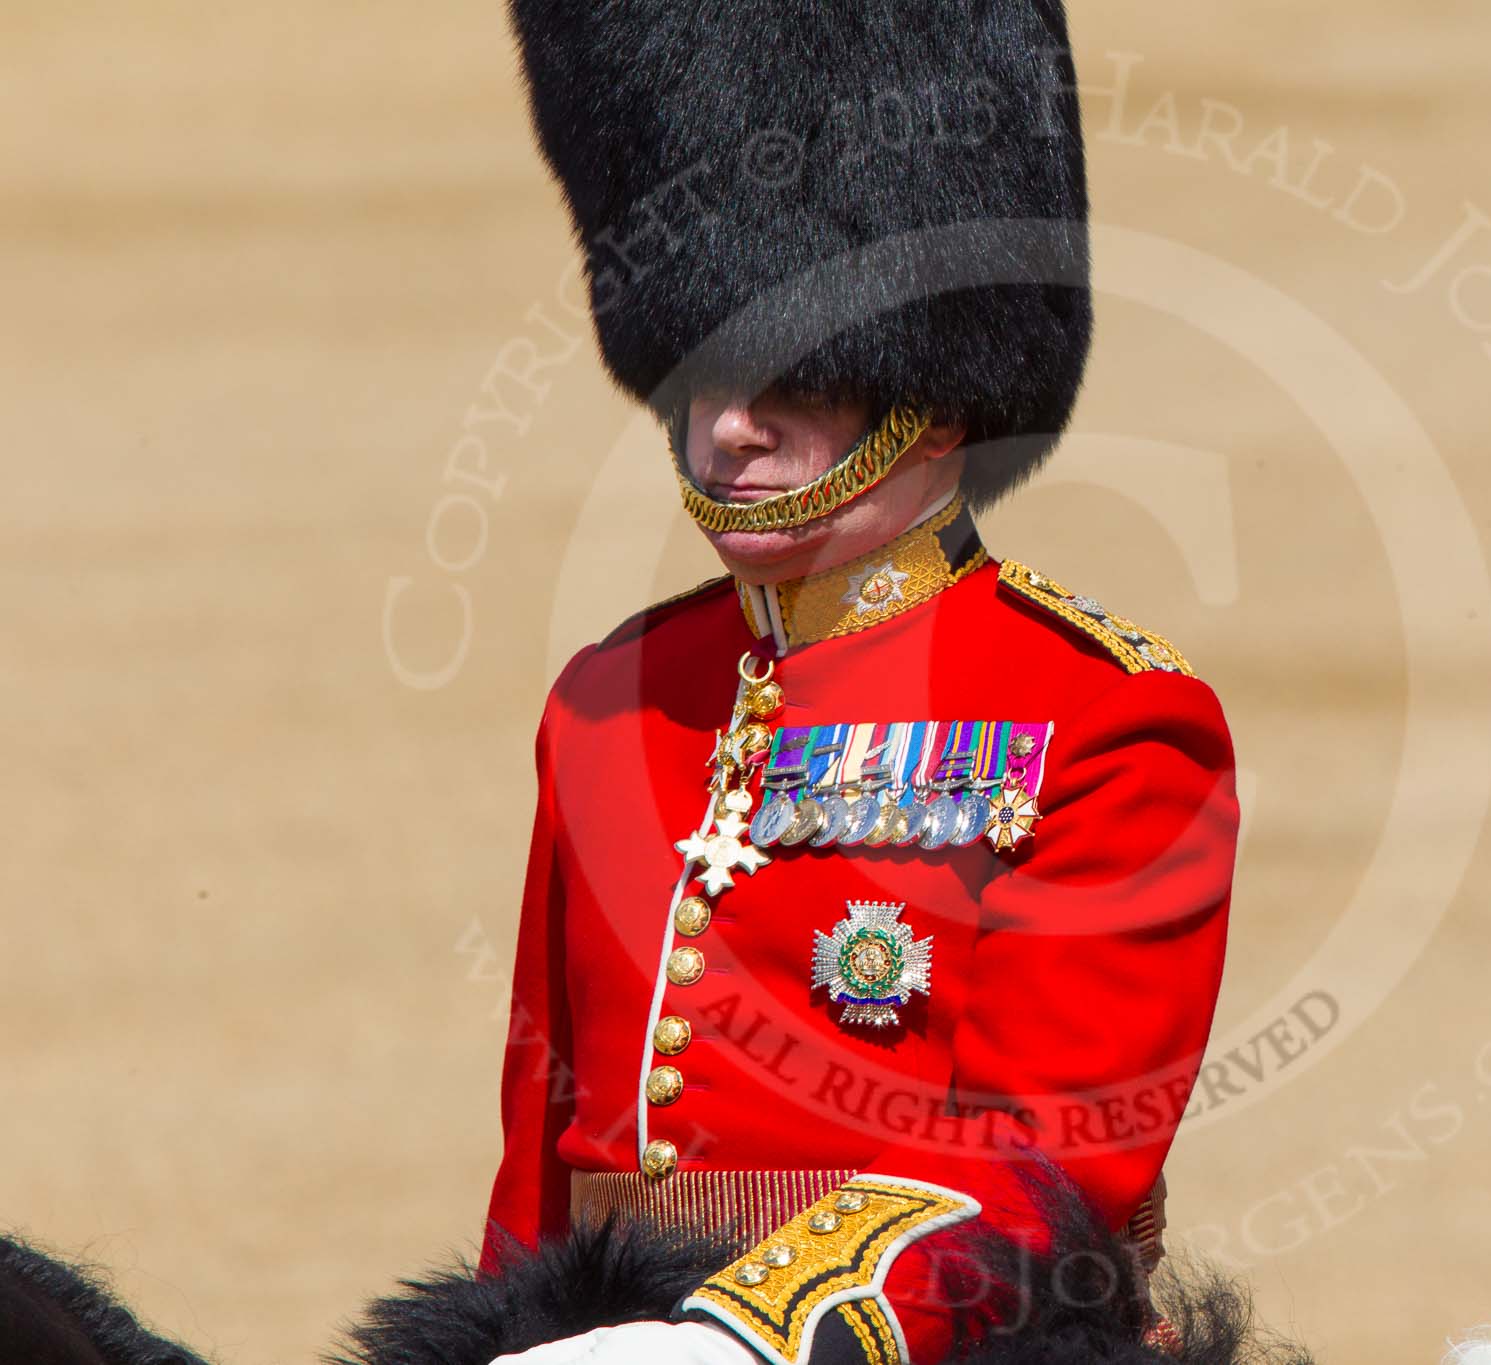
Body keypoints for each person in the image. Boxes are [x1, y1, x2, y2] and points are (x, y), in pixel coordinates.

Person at [473, 3, 1239, 1363]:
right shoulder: (606, 703)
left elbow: (1047, 1176)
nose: (731, 426)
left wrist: (752, 1337)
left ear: (933, 398)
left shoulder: (1105, 722)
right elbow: (541, 1171)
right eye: (701, 372)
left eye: (798, 375)